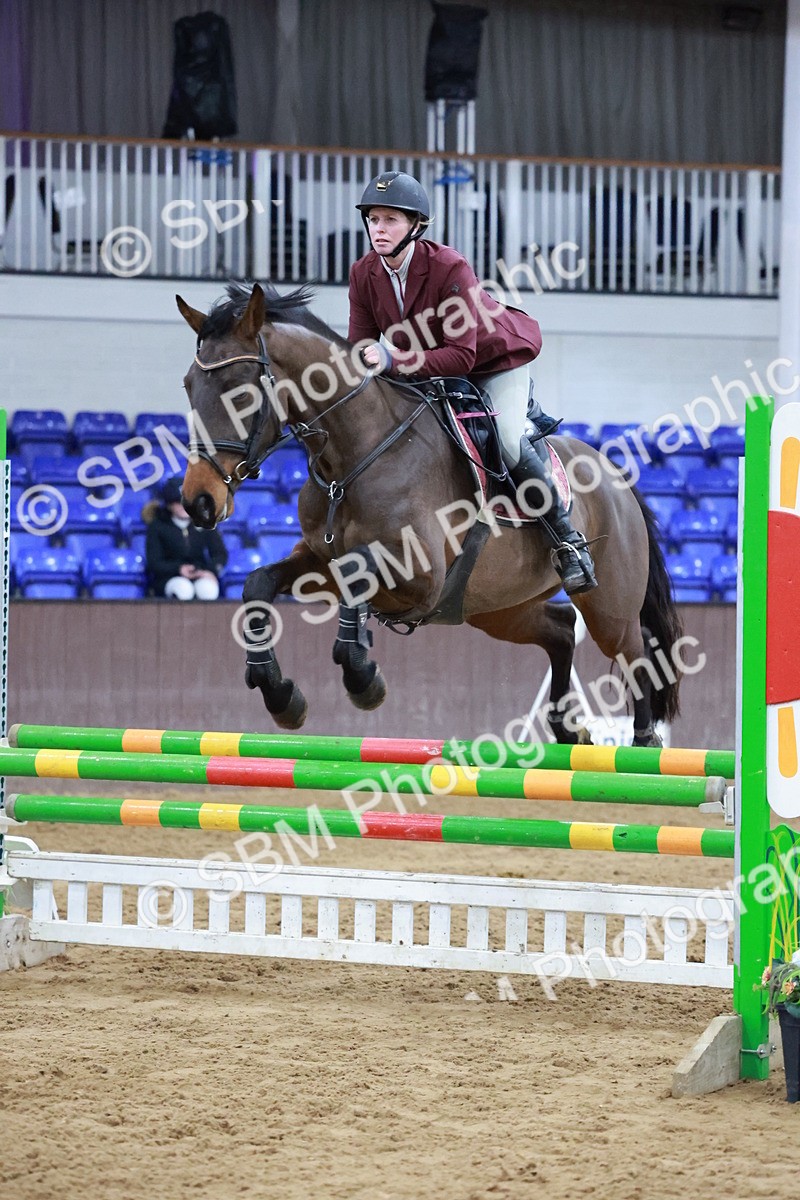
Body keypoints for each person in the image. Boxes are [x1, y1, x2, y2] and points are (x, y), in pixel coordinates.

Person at [348, 170, 596, 596]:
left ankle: (568, 542)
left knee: (509, 440)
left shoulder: (450, 268)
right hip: (428, 368)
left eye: (390, 219)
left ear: (415, 226)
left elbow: (461, 356)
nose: (379, 229)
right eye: (373, 219)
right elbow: (360, 349)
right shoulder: (364, 273)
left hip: (492, 362)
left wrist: (390, 358)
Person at [145, 475, 228, 600]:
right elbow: (154, 563)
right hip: (169, 577)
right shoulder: (157, 527)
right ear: (168, 504)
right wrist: (178, 569)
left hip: (199, 572)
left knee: (208, 589)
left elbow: (220, 554)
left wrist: (208, 571)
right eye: (177, 502)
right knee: (183, 589)